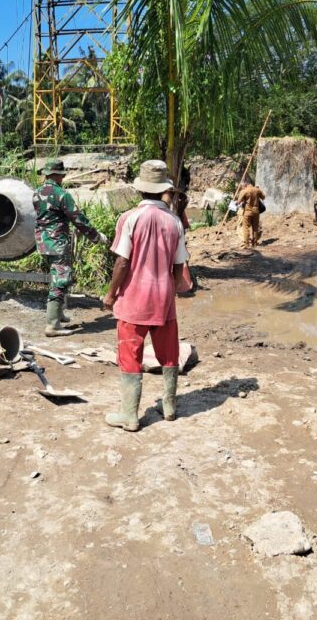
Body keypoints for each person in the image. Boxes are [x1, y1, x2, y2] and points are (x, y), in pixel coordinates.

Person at [103, 160, 188, 432]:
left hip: (133, 300)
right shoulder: (174, 222)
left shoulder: (130, 218)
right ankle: (170, 406)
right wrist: (169, 291)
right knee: (169, 353)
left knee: (130, 353)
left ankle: (130, 415)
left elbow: (122, 263)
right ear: (164, 190)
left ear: (141, 190)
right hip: (164, 300)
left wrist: (111, 293)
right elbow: (179, 266)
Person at [32, 158, 108, 337]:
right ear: (59, 176)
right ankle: (52, 325)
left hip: (43, 242)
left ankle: (58, 315)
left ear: (46, 175)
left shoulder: (36, 193)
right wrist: (96, 236)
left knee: (56, 275)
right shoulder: (61, 194)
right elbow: (78, 219)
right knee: (61, 280)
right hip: (57, 242)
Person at [235, 179, 266, 248]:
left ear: (245, 185)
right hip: (256, 212)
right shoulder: (257, 190)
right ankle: (254, 244)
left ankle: (246, 244)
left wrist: (235, 202)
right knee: (255, 228)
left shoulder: (244, 191)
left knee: (246, 228)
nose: (243, 187)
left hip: (247, 212)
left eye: (243, 186)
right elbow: (263, 197)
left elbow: (238, 202)